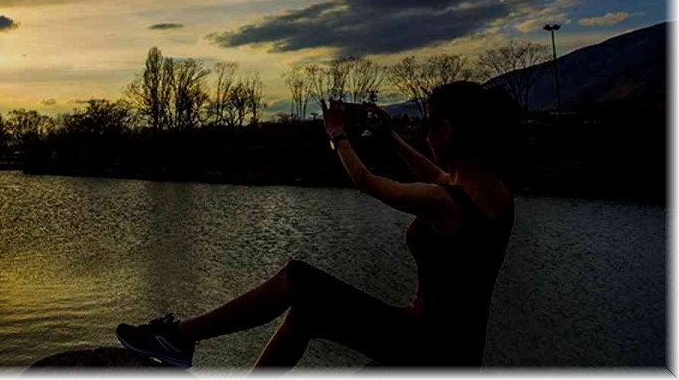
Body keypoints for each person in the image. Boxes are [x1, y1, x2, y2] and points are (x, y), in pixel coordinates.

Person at [116, 81, 517, 370]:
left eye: (429, 125)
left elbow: (366, 182)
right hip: (456, 353)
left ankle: (180, 336)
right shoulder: (497, 194)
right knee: (308, 312)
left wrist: (336, 134)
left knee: (298, 279)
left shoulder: (441, 200)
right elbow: (440, 179)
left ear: (447, 131)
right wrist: (391, 138)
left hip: (424, 347)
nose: (425, 133)